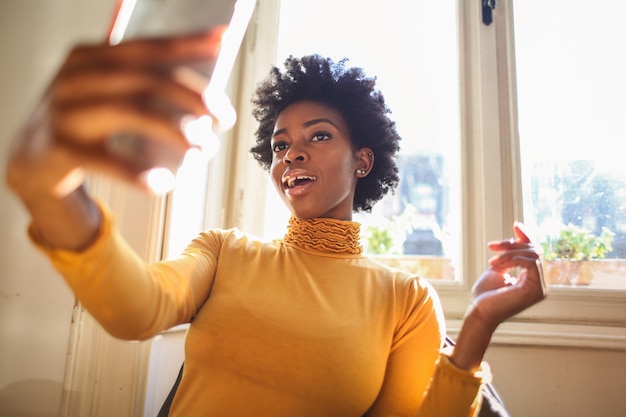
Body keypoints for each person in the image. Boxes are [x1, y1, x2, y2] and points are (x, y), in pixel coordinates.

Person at [5, 33, 546, 417]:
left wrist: (477, 327)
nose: (292, 157)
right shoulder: (223, 251)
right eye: (280, 146)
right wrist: (50, 186)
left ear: (363, 159)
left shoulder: (406, 299)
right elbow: (135, 307)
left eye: (318, 136)